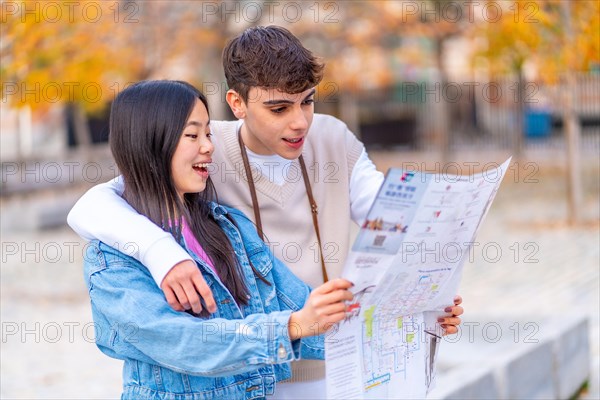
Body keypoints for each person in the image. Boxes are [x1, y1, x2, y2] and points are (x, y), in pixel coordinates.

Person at [68, 26, 463, 398]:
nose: (299, 121)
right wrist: (158, 251)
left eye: (307, 101)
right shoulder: (120, 252)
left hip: (311, 362)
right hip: (274, 366)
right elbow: (181, 340)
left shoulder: (229, 223)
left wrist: (420, 313)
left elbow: (391, 224)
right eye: (278, 108)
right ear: (236, 104)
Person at [84, 79, 354, 398]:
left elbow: (299, 303)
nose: (208, 146)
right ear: (150, 143)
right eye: (192, 135)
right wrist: (291, 326)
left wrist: (394, 319)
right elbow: (183, 343)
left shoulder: (228, 227)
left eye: (209, 133)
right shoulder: (112, 258)